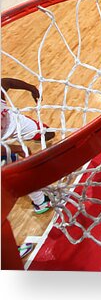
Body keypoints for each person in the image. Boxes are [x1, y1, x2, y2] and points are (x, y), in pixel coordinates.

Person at [1, 77, 55, 214]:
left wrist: (31, 88)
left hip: (11, 122)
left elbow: (7, 82)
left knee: (48, 134)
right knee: (18, 168)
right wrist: (18, 148)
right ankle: (40, 202)